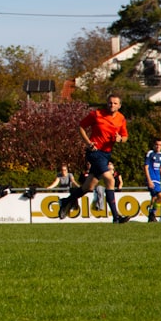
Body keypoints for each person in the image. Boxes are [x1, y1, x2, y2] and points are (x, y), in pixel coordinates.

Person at [59, 93, 131, 224]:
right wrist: (88, 143)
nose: (112, 105)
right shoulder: (96, 114)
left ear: (119, 105)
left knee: (88, 187)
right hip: (94, 152)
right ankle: (116, 217)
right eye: (110, 102)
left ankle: (66, 201)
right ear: (106, 103)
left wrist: (120, 139)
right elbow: (81, 126)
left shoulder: (121, 118)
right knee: (110, 179)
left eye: (115, 103)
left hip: (106, 154)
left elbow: (125, 136)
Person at [144, 138, 161, 222]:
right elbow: (146, 167)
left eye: (160, 145)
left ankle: (151, 216)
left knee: (154, 197)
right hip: (152, 179)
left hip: (158, 179)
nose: (158, 146)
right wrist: (149, 180)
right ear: (154, 145)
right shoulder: (150, 153)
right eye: (156, 145)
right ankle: (152, 212)